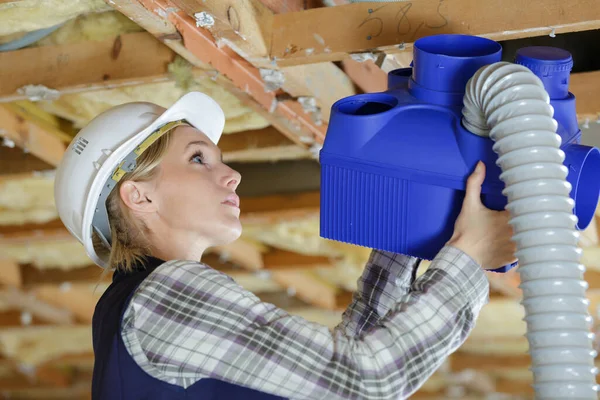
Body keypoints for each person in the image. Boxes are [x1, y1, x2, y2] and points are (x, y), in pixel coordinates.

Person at [53, 91, 516, 400]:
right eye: (198, 158)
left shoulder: (142, 305)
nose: (232, 174)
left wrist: (407, 236)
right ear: (139, 195)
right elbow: (368, 381)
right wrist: (468, 259)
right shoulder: (166, 295)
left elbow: (347, 362)